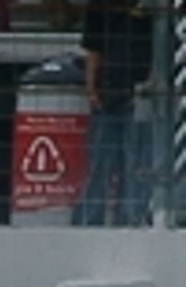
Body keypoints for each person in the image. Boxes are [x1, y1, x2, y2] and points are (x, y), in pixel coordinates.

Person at [74, 0, 153, 227]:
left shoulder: (155, 5)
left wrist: (152, 81)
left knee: (136, 163)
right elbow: (93, 46)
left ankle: (130, 220)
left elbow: (164, 44)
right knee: (101, 162)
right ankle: (92, 220)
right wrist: (91, 87)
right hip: (109, 91)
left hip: (139, 92)